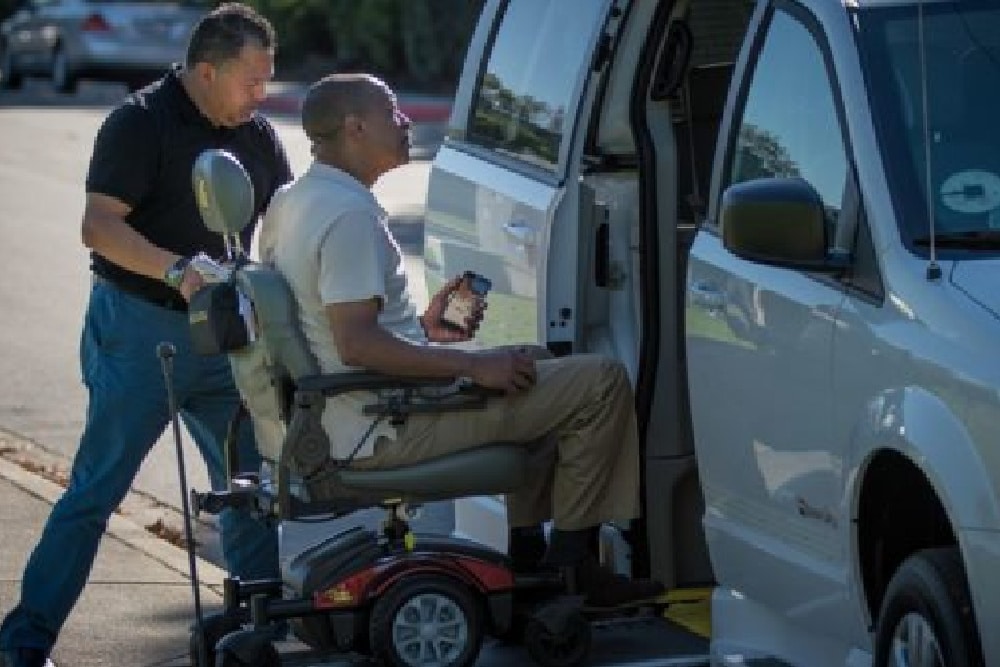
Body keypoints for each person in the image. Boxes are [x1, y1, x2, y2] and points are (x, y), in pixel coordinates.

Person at [258, 73, 664, 608]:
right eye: (392, 113)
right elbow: (355, 344)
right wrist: (469, 367)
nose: (405, 124)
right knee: (600, 383)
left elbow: (333, 334)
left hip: (350, 409)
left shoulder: (294, 201)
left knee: (532, 364)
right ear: (356, 127)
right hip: (382, 426)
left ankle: (528, 558)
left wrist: (424, 334)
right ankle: (572, 570)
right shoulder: (349, 216)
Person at [0, 5, 292, 666]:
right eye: (252, 80)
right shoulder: (138, 122)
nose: (262, 95)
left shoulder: (257, 135)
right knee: (94, 493)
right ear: (207, 71)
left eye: (267, 81)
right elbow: (99, 226)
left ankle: (256, 634)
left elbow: (285, 225)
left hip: (226, 340)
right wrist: (175, 268)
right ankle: (25, 644)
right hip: (140, 334)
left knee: (247, 491)